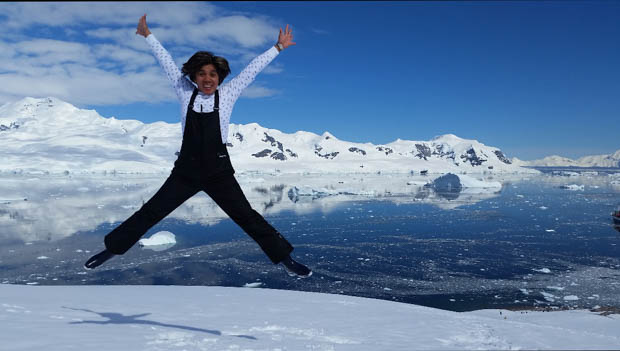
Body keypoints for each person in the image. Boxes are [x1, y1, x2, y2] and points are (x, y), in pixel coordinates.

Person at [85, 14, 311, 278]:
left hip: (218, 172)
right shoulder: (184, 92)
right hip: (186, 172)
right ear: (193, 76)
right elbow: (166, 62)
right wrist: (148, 36)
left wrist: (278, 48)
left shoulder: (227, 95)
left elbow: (252, 70)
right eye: (201, 74)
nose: (207, 78)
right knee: (151, 212)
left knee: (248, 217)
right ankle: (112, 249)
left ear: (220, 77)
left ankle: (285, 259)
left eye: (212, 74)